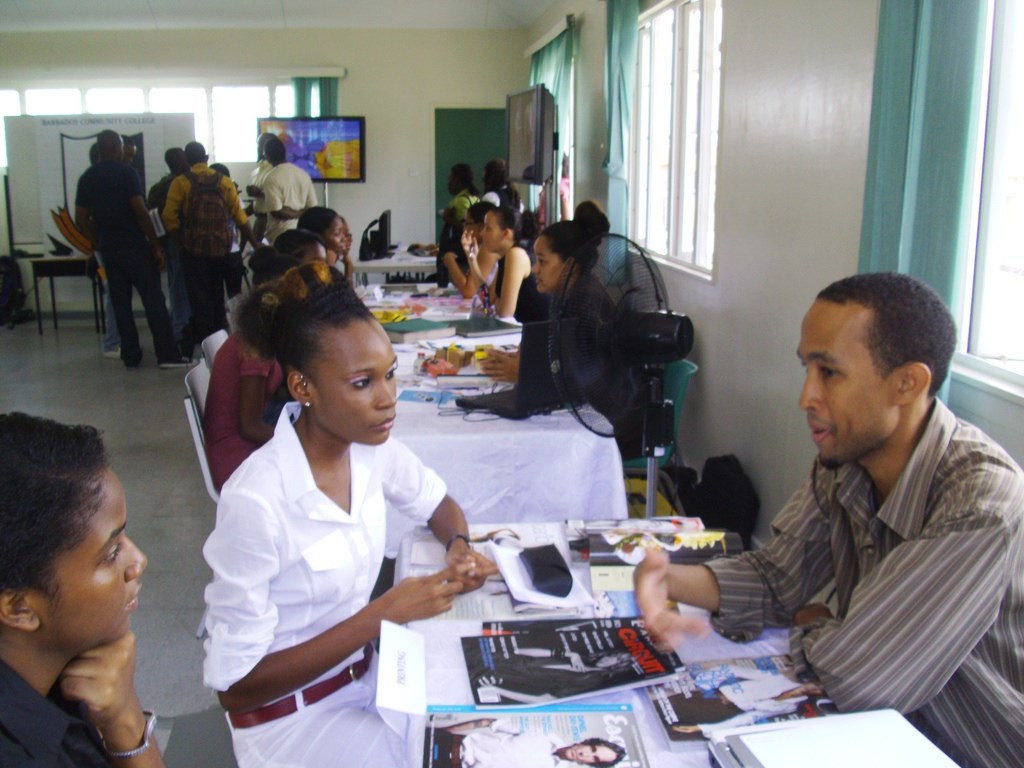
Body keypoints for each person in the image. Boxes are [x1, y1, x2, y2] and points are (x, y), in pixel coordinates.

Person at [634, 272, 1024, 768]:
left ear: (907, 384)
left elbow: (863, 678)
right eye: (807, 369)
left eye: (830, 373)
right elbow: (778, 578)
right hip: (882, 735)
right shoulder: (846, 460)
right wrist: (669, 578)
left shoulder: (979, 505)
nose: (806, 397)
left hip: (972, 749)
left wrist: (818, 624)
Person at [202, 261, 498, 767]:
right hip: (292, 723)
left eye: (389, 375)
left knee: (495, 730)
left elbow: (438, 503)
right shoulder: (257, 500)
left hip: (369, 680)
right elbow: (237, 689)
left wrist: (459, 548)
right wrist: (380, 616)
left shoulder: (367, 448)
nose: (388, 399)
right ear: (303, 388)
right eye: (362, 383)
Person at [0, 412, 164, 768]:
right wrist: (126, 721)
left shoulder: (55, 669)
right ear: (19, 608)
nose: (138, 561)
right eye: (112, 553)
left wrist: (122, 715)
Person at [75, 130, 190, 369]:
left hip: (109, 250)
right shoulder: (127, 173)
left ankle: (131, 356)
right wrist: (155, 245)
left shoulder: (87, 177)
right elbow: (139, 210)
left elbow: (81, 218)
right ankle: (167, 355)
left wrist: (97, 241)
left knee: (121, 304)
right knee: (154, 301)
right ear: (115, 148)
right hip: (135, 247)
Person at [203, 249, 300, 490]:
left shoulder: (257, 333)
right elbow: (250, 427)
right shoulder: (256, 350)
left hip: (241, 445)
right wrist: (301, 444)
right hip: (237, 462)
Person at [480, 203, 609, 382]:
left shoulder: (586, 305)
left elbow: (582, 377)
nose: (535, 269)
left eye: (542, 262)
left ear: (569, 265)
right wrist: (522, 358)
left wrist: (525, 373)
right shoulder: (566, 296)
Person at [162, 141, 259, 346]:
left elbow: (169, 216)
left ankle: (208, 344)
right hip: (222, 249)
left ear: (187, 159)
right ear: (206, 158)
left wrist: (181, 243)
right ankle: (225, 340)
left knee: (200, 300)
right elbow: (240, 217)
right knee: (219, 297)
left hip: (194, 252)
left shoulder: (181, 182)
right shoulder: (224, 181)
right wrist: (255, 242)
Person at [433, 718, 625, 768]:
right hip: (450, 744)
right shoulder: (544, 732)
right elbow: (487, 722)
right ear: (588, 742)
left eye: (594, 758)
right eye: (593, 749)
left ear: (591, 764)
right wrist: (440, 733)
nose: (586, 754)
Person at [147, 147, 193, 352]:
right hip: (182, 241)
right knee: (182, 288)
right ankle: (182, 330)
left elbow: (151, 215)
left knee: (176, 286)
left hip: (167, 241)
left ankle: (178, 327)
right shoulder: (183, 183)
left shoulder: (158, 187)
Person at [479, 206, 549, 324]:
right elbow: (490, 300)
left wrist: (499, 303)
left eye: (488, 228)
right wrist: (471, 259)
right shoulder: (504, 256)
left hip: (540, 331)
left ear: (505, 233)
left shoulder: (516, 254)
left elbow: (505, 312)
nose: (482, 233)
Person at [260, 136, 318, 244]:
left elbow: (276, 211)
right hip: (302, 233)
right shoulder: (303, 174)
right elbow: (312, 207)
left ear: (267, 155)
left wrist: (293, 213)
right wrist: (301, 213)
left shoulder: (270, 178)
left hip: (279, 235)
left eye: (264, 153)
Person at [209, 163, 248, 299]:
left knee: (214, 293)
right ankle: (235, 312)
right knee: (235, 293)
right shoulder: (232, 196)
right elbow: (243, 222)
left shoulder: (203, 197)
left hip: (210, 252)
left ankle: (218, 313)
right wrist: (242, 246)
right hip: (232, 249)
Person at [445, 200, 497, 301]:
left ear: (481, 226)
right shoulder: (477, 247)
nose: (464, 228)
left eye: (468, 223)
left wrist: (450, 260)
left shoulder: (488, 249)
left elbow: (469, 291)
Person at [297, 206, 353, 279]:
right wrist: (331, 268)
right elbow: (336, 287)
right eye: (337, 233)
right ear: (317, 237)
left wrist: (348, 264)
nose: (343, 238)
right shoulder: (304, 272)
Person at [245, 132, 276, 243]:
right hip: (260, 218)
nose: (260, 148)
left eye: (264, 144)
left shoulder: (276, 168)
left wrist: (260, 193)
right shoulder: (259, 169)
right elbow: (259, 200)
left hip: (272, 220)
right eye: (259, 144)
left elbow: (279, 193)